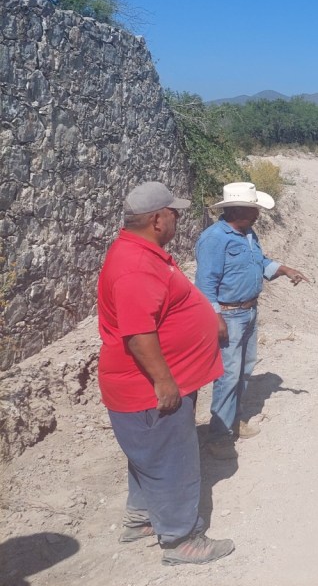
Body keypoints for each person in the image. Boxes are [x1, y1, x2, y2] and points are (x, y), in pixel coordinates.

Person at [97, 181, 234, 566]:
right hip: (148, 389)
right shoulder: (136, 265)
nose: (177, 218)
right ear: (158, 219)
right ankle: (180, 539)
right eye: (174, 213)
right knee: (173, 460)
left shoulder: (142, 252)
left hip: (148, 387)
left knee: (151, 456)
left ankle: (142, 519)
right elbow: (139, 334)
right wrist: (164, 380)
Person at [195, 182, 308, 459]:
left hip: (249, 313)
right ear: (236, 209)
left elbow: (260, 262)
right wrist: (216, 318)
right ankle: (219, 436)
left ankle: (235, 421)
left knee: (243, 370)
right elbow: (205, 284)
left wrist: (284, 269)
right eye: (253, 209)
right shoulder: (214, 239)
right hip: (228, 315)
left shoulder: (248, 234)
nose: (258, 214)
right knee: (228, 375)